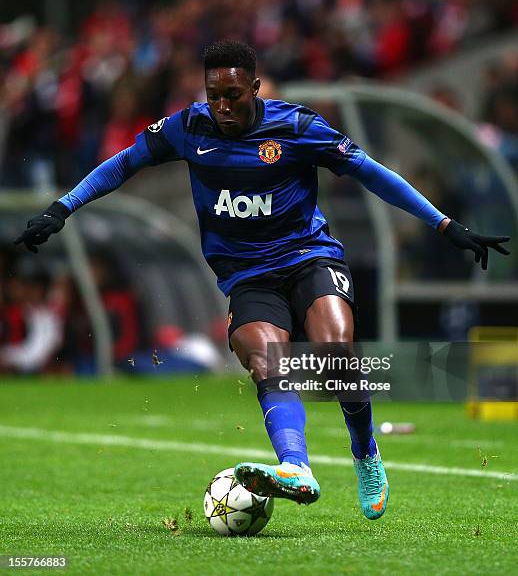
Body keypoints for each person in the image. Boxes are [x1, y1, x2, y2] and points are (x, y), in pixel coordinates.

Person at [15, 40, 510, 520]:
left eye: (233, 95)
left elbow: (371, 173)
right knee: (265, 360)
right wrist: (63, 208)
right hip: (248, 278)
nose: (223, 107)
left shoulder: (296, 126)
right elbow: (122, 164)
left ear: (255, 88)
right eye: (214, 96)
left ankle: (365, 452)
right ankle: (296, 467)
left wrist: (444, 224)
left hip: (309, 258)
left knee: (335, 352)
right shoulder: (189, 128)